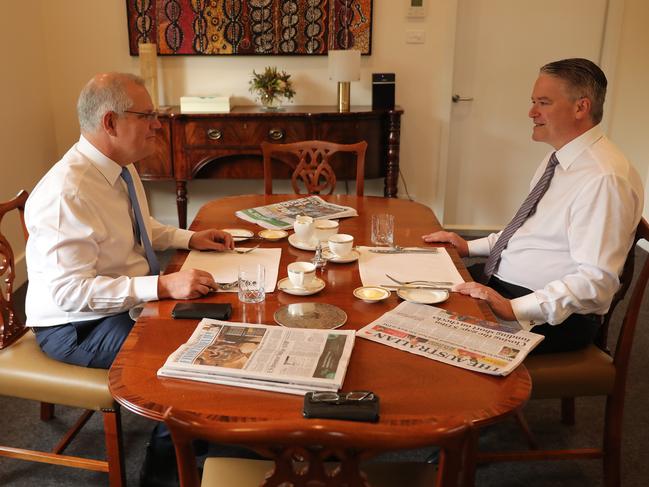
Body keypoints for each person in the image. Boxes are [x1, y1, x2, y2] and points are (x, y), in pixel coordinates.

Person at [25, 72, 235, 486]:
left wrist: (191, 237)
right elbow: (70, 294)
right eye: (148, 116)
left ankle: (211, 438)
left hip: (116, 303)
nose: (158, 125)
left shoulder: (119, 168)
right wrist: (161, 286)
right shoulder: (69, 192)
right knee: (181, 358)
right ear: (110, 123)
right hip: (74, 326)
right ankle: (163, 467)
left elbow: (142, 228)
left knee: (217, 323)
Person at [423, 58, 643, 354]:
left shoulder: (604, 178)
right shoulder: (557, 160)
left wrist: (513, 308)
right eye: (533, 102)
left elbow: (596, 282)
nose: (531, 112)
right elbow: (528, 232)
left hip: (553, 315)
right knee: (410, 292)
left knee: (426, 337)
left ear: (581, 107)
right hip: (504, 283)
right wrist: (469, 247)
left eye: (543, 102)